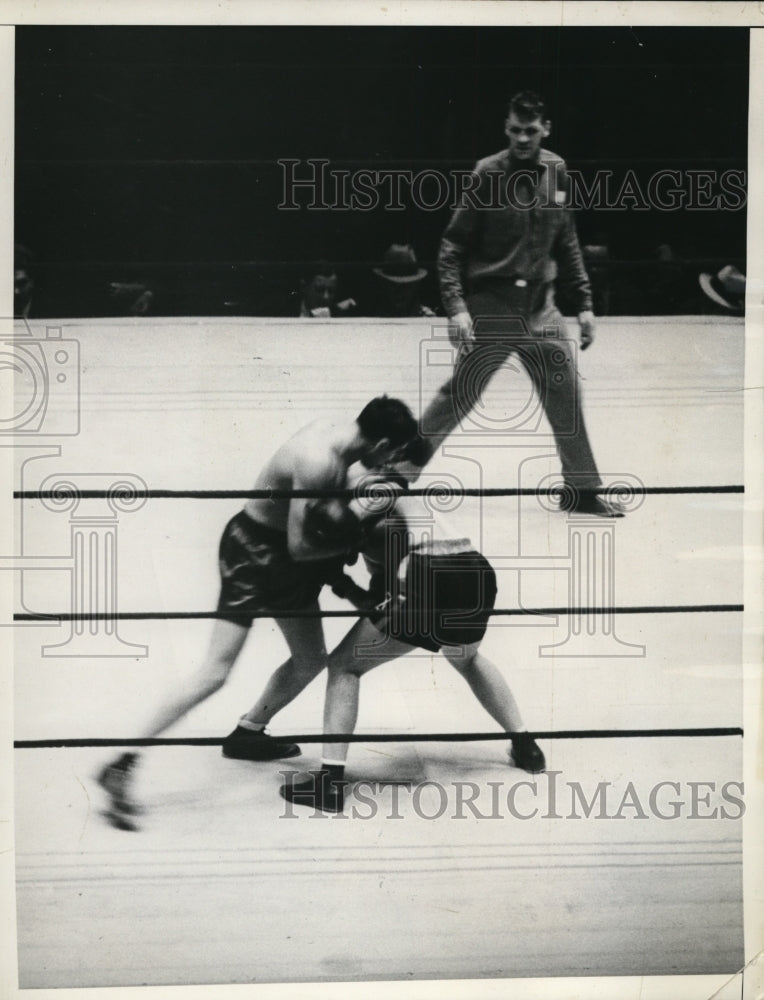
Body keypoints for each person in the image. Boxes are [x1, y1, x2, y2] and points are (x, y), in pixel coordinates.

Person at [96, 396, 417, 830]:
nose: (391, 462)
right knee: (215, 671)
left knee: (310, 660)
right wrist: (357, 544)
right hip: (254, 556)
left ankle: (248, 733)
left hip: (284, 560)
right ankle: (122, 762)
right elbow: (301, 547)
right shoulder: (318, 459)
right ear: (380, 441)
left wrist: (352, 574)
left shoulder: (344, 442)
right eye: (392, 453)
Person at [278, 476, 547, 814]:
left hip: (428, 573)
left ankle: (330, 782)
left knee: (344, 666)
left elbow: (343, 535)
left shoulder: (361, 494)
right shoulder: (389, 490)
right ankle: (526, 746)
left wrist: (330, 564)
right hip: (474, 568)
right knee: (466, 659)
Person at [419, 90, 624, 517]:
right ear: (505, 128)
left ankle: (582, 490)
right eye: (515, 130)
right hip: (492, 304)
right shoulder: (486, 173)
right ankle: (395, 475)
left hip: (542, 308)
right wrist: (457, 308)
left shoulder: (557, 170)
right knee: (459, 395)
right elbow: (452, 246)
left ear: (545, 129)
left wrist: (584, 304)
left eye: (530, 131)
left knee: (566, 393)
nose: (523, 139)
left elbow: (566, 241)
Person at [371, 243, 437, 318]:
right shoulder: (372, 319)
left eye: (405, 286)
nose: (399, 292)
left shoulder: (428, 319)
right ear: (384, 284)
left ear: (415, 285)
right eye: (393, 285)